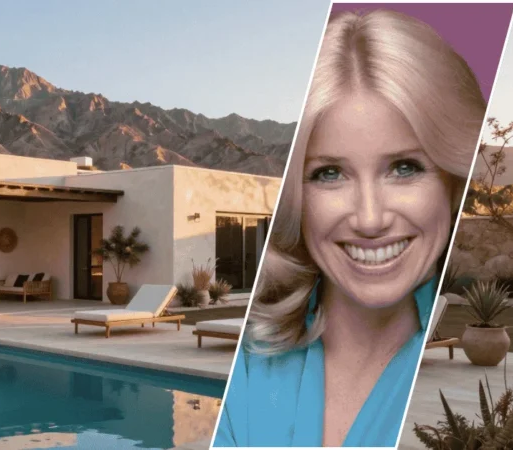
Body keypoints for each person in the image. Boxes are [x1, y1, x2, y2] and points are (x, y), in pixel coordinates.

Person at [213, 9, 485, 448]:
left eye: (404, 167)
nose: (370, 219)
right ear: (297, 199)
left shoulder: (481, 403)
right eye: (329, 174)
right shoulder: (245, 366)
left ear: (454, 184)